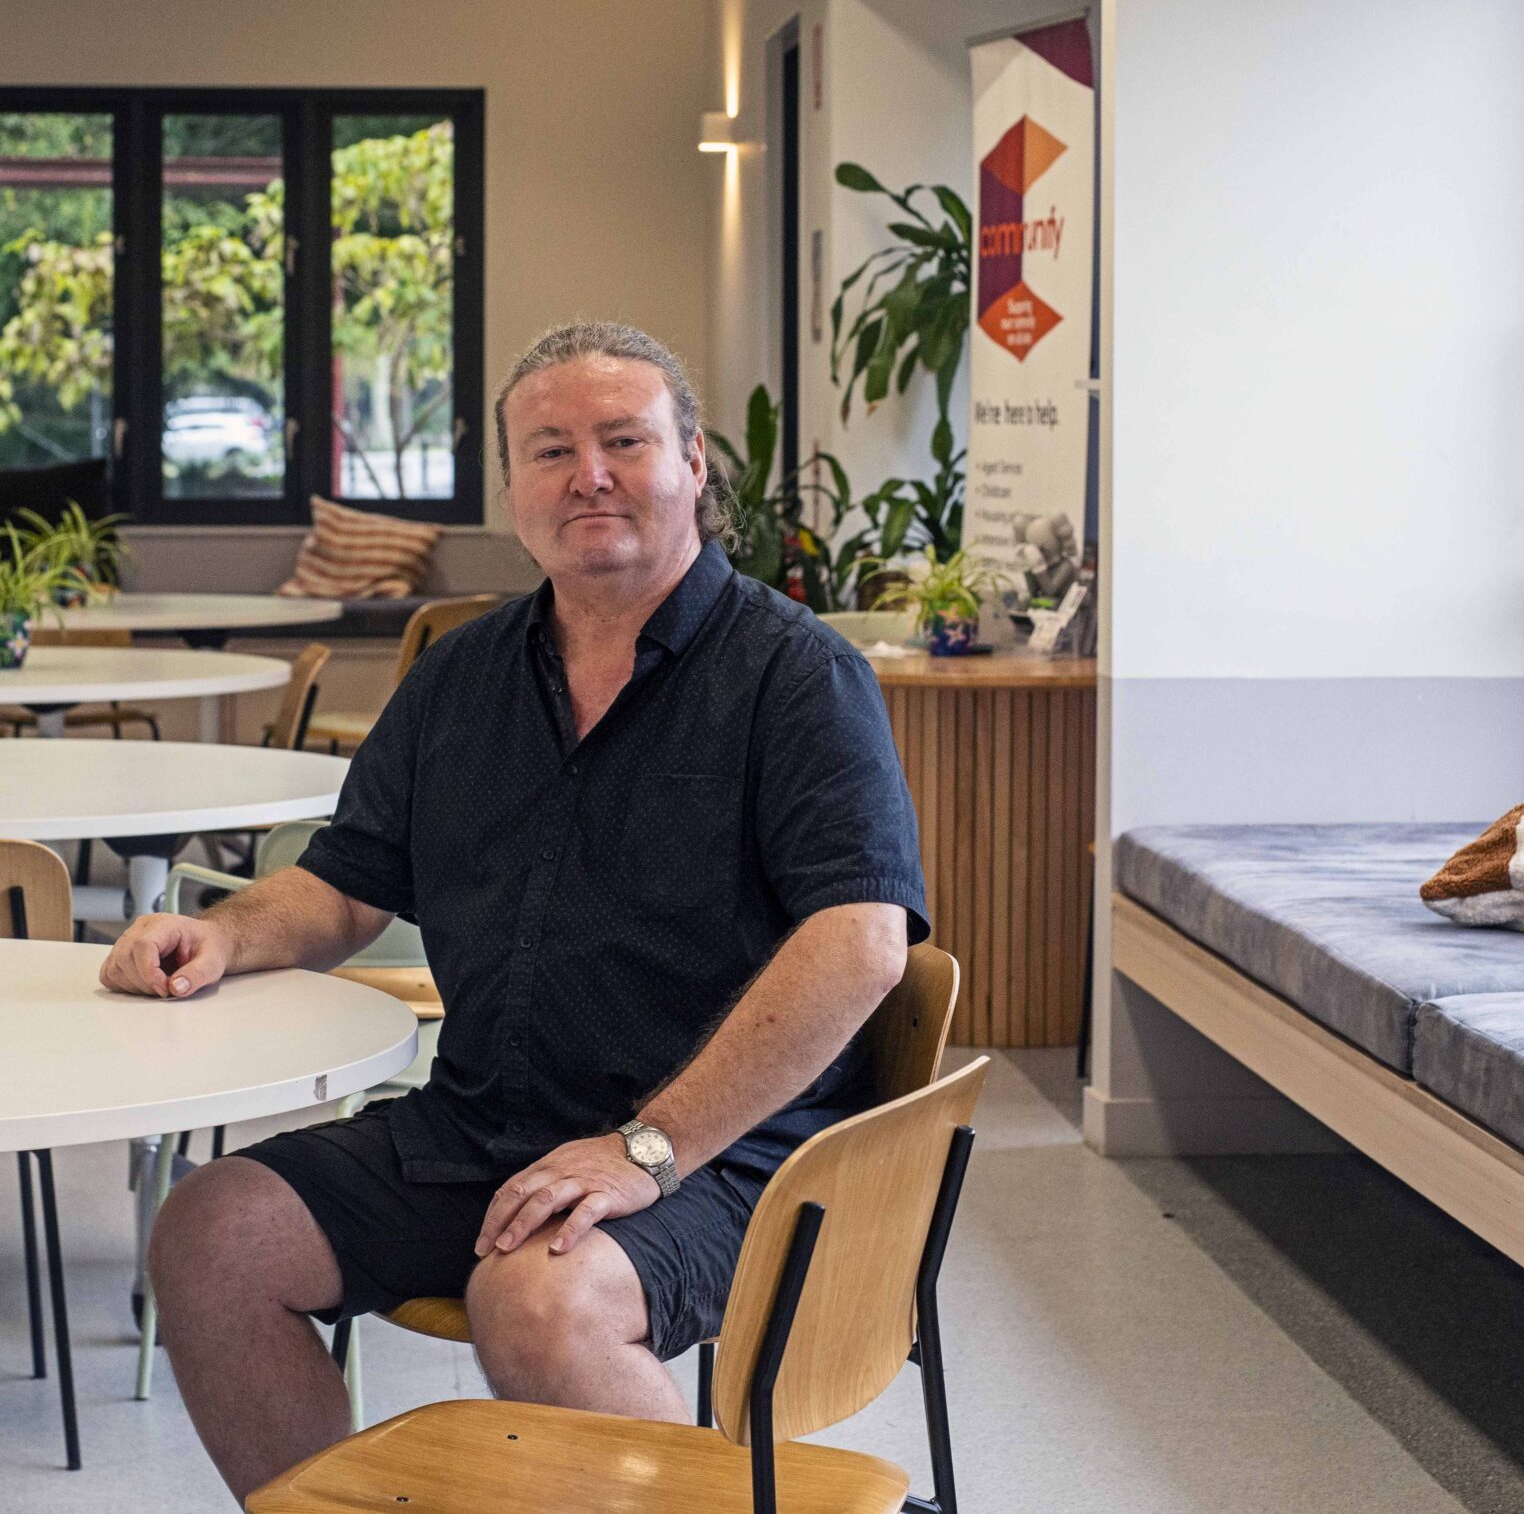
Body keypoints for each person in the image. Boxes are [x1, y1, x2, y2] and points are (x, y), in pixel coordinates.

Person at [98, 320, 929, 1502]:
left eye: (623, 440)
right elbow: (345, 883)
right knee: (212, 1232)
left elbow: (862, 942)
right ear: (512, 489)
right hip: (485, 1128)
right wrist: (228, 933)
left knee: (535, 1298)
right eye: (548, 449)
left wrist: (647, 1148)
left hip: (725, 1154)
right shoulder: (461, 675)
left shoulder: (794, 677)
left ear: (694, 464)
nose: (587, 474)